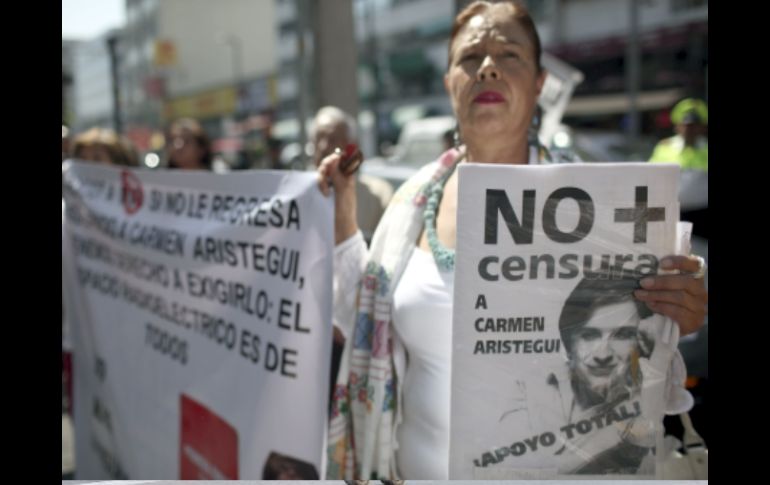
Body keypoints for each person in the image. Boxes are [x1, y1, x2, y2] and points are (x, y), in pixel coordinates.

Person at [318, 1, 708, 479]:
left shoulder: (600, 209)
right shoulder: (411, 204)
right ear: (449, 83)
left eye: (509, 55)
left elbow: (643, 374)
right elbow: (362, 322)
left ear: (540, 83)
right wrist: (342, 211)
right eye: (470, 57)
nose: (487, 68)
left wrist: (675, 317)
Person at [498, 274, 671, 475]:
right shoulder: (529, 392)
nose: (603, 354)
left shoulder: (649, 382)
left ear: (639, 341)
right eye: (589, 335)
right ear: (569, 340)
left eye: (623, 335)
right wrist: (617, 432)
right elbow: (513, 471)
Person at [312, 106, 393, 245]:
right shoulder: (299, 194)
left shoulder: (379, 195)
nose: (323, 147)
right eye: (318, 139)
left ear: (351, 147)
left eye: (332, 139)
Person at [649, 98, 708, 172]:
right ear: (677, 127)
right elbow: (651, 174)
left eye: (694, 125)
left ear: (702, 128)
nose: (689, 129)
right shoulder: (664, 148)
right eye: (685, 125)